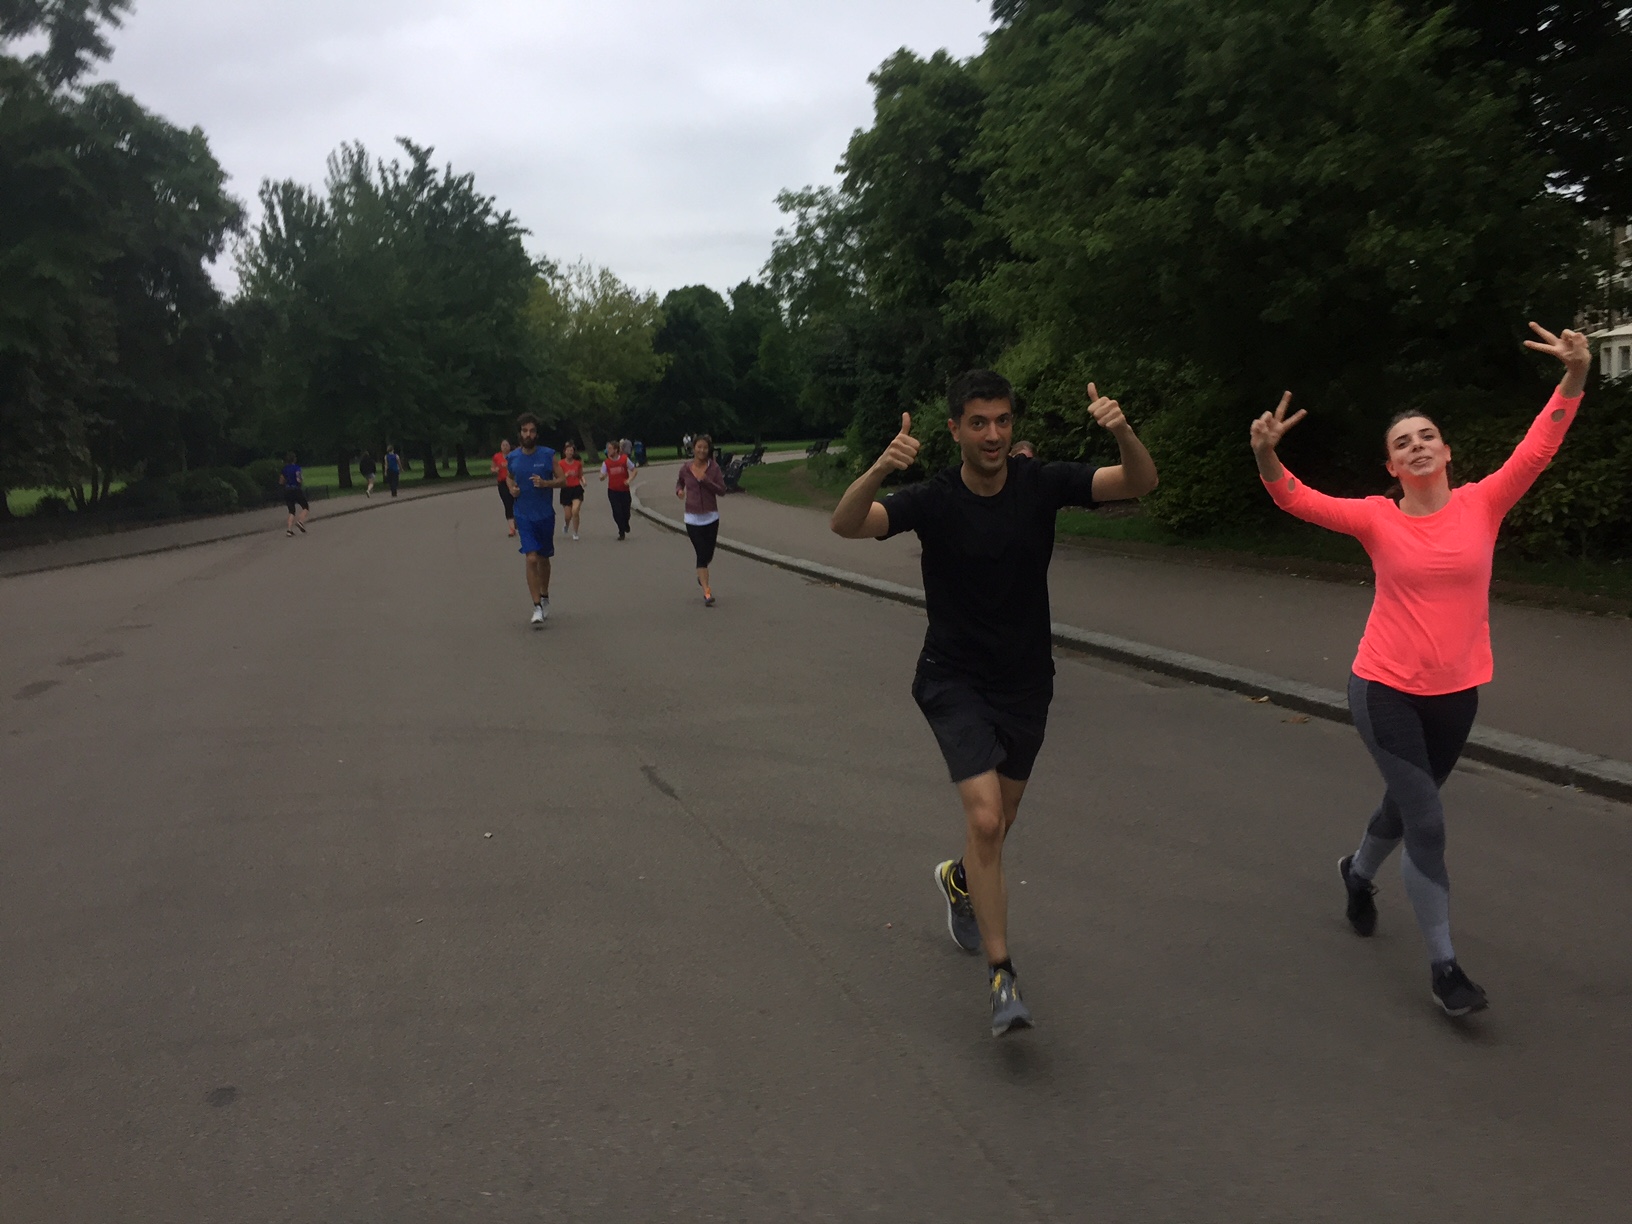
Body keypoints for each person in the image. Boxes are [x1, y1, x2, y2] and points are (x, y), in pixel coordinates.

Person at [1250, 322, 1590, 1019]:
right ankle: (1444, 968)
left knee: (1405, 807)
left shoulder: (1482, 504)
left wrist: (1575, 376)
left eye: (1425, 436)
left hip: (1456, 694)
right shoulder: (1378, 520)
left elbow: (1541, 446)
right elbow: (1295, 499)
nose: (1416, 445)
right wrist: (1265, 456)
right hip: (1384, 689)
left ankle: (1356, 872)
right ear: (1392, 468)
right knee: (1427, 820)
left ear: (1445, 452)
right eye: (1402, 443)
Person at [830, 370, 1158, 1036]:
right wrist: (877, 468)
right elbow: (848, 524)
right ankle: (1002, 976)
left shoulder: (1040, 483)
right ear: (954, 430)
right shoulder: (935, 498)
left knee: (998, 826)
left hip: (1026, 682)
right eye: (978, 423)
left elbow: (1139, 483)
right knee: (985, 822)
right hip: (952, 678)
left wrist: (1121, 429)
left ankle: (958, 881)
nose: (993, 434)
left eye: (1002, 421)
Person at [506, 414, 566, 627]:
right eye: (524, 431)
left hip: (545, 515)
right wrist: (512, 489)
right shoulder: (513, 457)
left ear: (536, 434)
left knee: (543, 559)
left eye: (531, 431)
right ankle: (537, 606)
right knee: (531, 558)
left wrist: (546, 483)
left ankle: (545, 594)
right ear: (519, 434)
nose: (528, 434)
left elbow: (563, 480)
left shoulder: (548, 455)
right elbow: (509, 477)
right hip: (523, 515)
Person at [675, 434, 727, 606]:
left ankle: (701, 575)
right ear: (694, 448)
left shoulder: (714, 469)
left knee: (708, 553)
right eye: (699, 447)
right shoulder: (686, 468)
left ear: (708, 449)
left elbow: (722, 490)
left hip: (711, 517)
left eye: (705, 447)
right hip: (692, 518)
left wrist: (706, 481)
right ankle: (706, 591)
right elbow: (680, 483)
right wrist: (679, 491)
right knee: (701, 554)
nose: (702, 450)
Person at [600, 441, 636, 540]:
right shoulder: (606, 463)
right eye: (607, 448)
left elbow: (634, 470)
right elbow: (601, 475)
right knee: (617, 511)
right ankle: (621, 530)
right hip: (613, 491)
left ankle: (626, 523)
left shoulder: (624, 459)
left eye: (610, 448)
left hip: (624, 490)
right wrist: (602, 476)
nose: (608, 450)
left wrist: (629, 480)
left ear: (616, 450)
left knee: (626, 511)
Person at [557, 440, 585, 540]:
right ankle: (566, 524)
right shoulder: (560, 463)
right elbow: (558, 477)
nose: (570, 452)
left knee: (575, 511)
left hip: (576, 489)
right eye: (568, 450)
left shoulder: (577, 463)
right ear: (565, 452)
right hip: (566, 490)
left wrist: (584, 481)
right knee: (568, 515)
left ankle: (576, 532)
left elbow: (580, 475)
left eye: (571, 450)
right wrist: (565, 475)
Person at [278, 451, 309, 536]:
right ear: (294, 459)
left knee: (291, 510)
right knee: (305, 507)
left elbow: (281, 481)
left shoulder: (284, 469)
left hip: (287, 490)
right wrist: (301, 480)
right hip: (296, 489)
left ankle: (289, 530)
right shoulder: (297, 468)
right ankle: (300, 521)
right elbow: (299, 479)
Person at [492, 439, 516, 538]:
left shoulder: (514, 456)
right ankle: (511, 529)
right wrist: (495, 470)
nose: (505, 447)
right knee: (507, 503)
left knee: (515, 502)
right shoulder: (497, 457)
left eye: (507, 445)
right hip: (502, 483)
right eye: (503, 445)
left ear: (510, 446)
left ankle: (516, 521)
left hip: (514, 482)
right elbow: (492, 468)